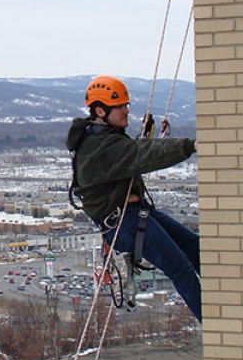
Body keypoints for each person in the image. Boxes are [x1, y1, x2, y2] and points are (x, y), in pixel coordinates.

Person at [65, 75, 201, 322]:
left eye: (126, 105)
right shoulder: (101, 146)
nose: (127, 111)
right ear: (100, 110)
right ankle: (219, 326)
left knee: (195, 249)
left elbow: (136, 154)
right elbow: (143, 153)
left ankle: (232, 297)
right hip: (124, 222)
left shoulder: (104, 139)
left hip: (134, 214)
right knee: (181, 268)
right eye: (121, 107)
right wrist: (192, 146)